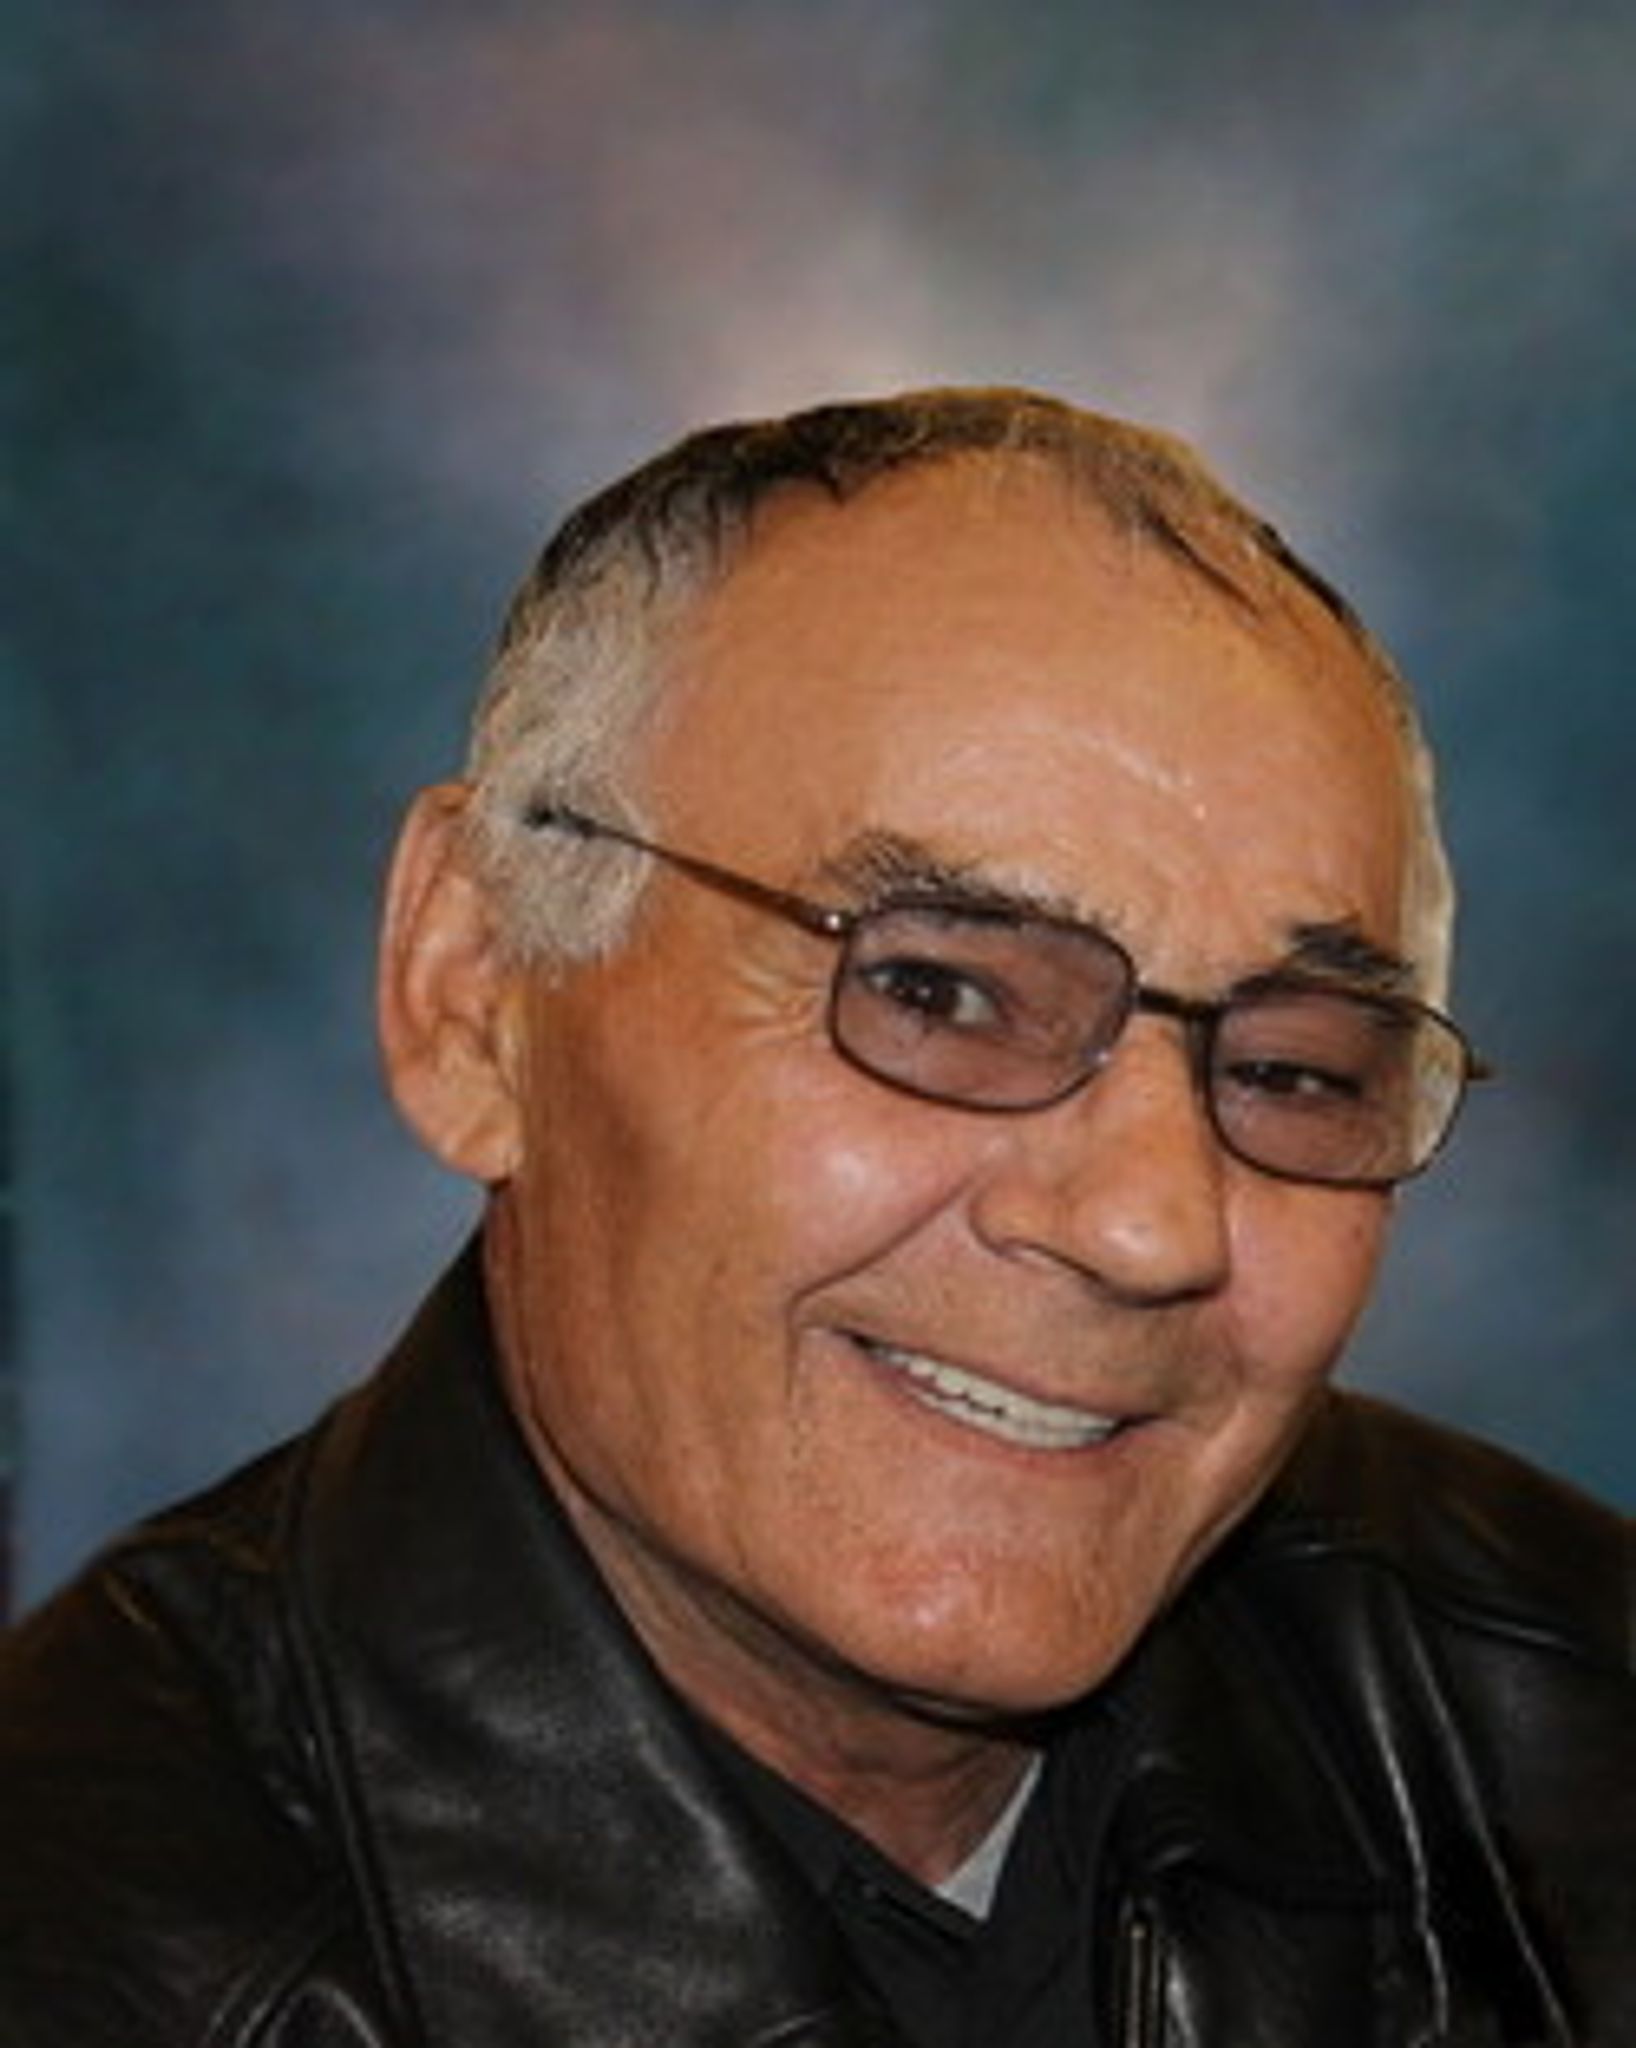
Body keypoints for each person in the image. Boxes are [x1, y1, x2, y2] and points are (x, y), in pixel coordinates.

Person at [1, 388, 1630, 2048]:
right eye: (937, 992)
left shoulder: (1570, 1717)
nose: (1151, 1227)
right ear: (478, 994)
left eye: (1292, 1073)